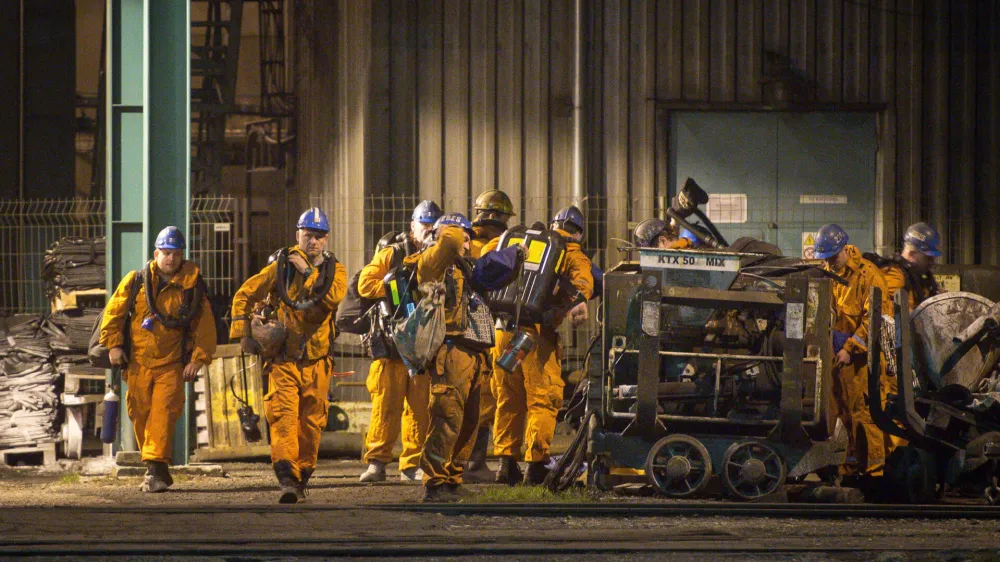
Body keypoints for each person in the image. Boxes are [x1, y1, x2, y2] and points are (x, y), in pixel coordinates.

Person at [230, 207, 347, 504]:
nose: (314, 242)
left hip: (318, 362)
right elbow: (245, 293)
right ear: (298, 235)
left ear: (327, 239)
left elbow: (329, 300)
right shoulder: (281, 267)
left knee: (311, 425)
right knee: (283, 420)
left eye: (319, 237)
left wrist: (307, 272)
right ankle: (287, 480)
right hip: (284, 361)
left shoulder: (336, 271)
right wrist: (244, 332)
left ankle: (302, 476)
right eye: (308, 235)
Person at [100, 226, 217, 493]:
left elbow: (205, 327)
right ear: (156, 253)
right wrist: (114, 345)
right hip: (138, 364)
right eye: (166, 253)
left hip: (172, 365)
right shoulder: (136, 282)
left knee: (162, 415)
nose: (171, 259)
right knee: (140, 415)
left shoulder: (192, 287)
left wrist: (198, 359)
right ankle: (159, 468)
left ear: (182, 255)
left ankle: (153, 471)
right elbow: (114, 314)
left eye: (176, 253)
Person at [400, 212, 500, 501]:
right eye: (462, 236)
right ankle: (434, 482)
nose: (467, 241)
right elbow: (452, 239)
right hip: (451, 350)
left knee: (470, 422)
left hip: (476, 353)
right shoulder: (432, 263)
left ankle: (452, 479)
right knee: (447, 418)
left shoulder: (468, 268)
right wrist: (451, 230)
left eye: (470, 237)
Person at [492, 205, 594, 485]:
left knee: (508, 397)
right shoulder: (571, 252)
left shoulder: (522, 242)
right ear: (579, 233)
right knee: (543, 397)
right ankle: (535, 466)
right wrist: (579, 301)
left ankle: (505, 464)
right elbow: (583, 283)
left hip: (503, 331)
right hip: (535, 336)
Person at [358, 200, 442, 483]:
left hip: (422, 348)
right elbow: (365, 284)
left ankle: (411, 465)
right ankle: (377, 464)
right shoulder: (391, 253)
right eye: (424, 225)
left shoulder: (441, 258)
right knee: (386, 405)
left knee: (420, 410)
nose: (428, 230)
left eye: (433, 226)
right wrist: (394, 284)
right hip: (391, 346)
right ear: (413, 226)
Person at [814, 223, 893, 478]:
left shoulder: (869, 275)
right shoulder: (828, 272)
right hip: (837, 358)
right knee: (842, 414)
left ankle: (874, 472)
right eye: (825, 259)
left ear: (845, 249)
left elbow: (877, 318)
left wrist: (851, 348)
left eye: (833, 257)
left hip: (862, 360)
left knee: (864, 414)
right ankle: (849, 468)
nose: (830, 263)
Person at [461, 190, 516, 481]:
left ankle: (462, 462)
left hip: (460, 328)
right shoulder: (496, 246)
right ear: (495, 217)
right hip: (486, 326)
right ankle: (473, 463)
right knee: (484, 396)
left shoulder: (464, 241)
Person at [878, 222, 944, 310]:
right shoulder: (894, 275)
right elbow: (889, 313)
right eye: (928, 257)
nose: (932, 261)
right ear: (912, 253)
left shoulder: (918, 275)